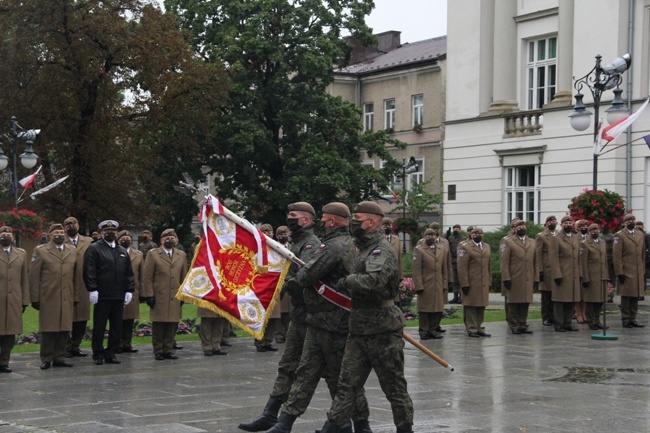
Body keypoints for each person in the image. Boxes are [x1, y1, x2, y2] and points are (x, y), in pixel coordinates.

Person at [266, 202, 371, 433]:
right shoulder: (350, 243)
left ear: (332, 221)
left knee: (340, 378)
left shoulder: (331, 247)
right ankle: (284, 423)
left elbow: (305, 276)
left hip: (332, 322)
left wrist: (289, 281)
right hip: (324, 321)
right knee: (309, 372)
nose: (321, 221)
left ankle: (357, 425)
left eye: (324, 218)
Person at [318, 201, 413, 433]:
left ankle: (405, 429)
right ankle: (333, 426)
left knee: (393, 387)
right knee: (347, 383)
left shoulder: (381, 250)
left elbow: (373, 282)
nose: (353, 222)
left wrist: (347, 281)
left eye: (357, 218)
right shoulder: (363, 248)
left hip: (382, 329)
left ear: (371, 222)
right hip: (359, 327)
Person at [238, 202, 319, 432]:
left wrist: (277, 285)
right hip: (300, 316)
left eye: (293, 215)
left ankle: (346, 423)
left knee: (332, 373)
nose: (289, 218)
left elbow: (304, 277)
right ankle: (271, 414)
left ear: (305, 219)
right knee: (287, 366)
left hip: (313, 318)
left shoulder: (310, 244)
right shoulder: (297, 243)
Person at [83, 220, 135, 365]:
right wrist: (92, 288)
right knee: (99, 325)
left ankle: (111, 352)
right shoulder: (94, 248)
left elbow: (128, 273)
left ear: (117, 233)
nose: (110, 233)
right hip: (102, 294)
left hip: (118, 294)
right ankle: (98, 353)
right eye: (106, 232)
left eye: (113, 231)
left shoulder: (122, 251)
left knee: (116, 326)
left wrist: (129, 289)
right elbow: (89, 270)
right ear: (101, 233)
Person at [29, 223, 78, 370]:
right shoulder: (41, 251)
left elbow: (75, 276)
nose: (60, 234)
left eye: (62, 232)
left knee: (64, 328)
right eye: (56, 232)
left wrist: (75, 295)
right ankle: (47, 358)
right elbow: (33, 276)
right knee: (49, 329)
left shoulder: (72, 250)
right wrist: (35, 298)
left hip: (66, 295)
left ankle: (59, 357)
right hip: (48, 296)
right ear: (50, 235)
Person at [141, 228, 189, 360]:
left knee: (172, 324)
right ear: (161, 240)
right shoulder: (153, 254)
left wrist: (184, 293)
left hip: (175, 295)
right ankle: (158, 350)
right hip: (159, 294)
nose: (170, 240)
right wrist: (149, 295)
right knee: (159, 324)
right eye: (167, 238)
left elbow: (183, 275)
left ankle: (168, 349)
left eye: (172, 238)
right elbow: (147, 277)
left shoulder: (181, 255)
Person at [500, 220, 538, 335]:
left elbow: (536, 262)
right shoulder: (507, 241)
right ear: (514, 229)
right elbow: (504, 261)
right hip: (514, 276)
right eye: (519, 226)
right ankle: (514, 325)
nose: (522, 227)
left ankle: (522, 324)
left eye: (523, 225)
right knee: (513, 302)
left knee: (525, 302)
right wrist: (506, 278)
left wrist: (536, 278)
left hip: (527, 277)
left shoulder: (532, 241)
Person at [64, 216, 93, 358]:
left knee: (82, 317)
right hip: (66, 284)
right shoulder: (59, 241)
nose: (71, 226)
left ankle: (75, 346)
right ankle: (66, 346)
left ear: (78, 226)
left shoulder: (88, 241)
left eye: (73, 223)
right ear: (64, 228)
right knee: (66, 317)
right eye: (68, 224)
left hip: (83, 283)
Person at [0, 226, 28, 373]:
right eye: (3, 234)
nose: (6, 236)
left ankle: (4, 361)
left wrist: (24, 300)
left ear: (12, 237)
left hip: (14, 298)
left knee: (10, 332)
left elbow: (24, 278)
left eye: (8, 234)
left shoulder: (21, 253)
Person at [412, 228, 447, 340]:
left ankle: (432, 330)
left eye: (433, 235)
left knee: (437, 309)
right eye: (428, 235)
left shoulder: (441, 249)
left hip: (438, 284)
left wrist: (445, 284)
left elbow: (444, 269)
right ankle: (424, 331)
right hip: (426, 284)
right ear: (424, 237)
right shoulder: (419, 250)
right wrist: (419, 285)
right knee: (424, 309)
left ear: (436, 237)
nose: (430, 237)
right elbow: (416, 270)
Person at [457, 227, 491, 337]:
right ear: (471, 235)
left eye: (480, 233)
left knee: (481, 305)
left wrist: (489, 280)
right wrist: (464, 283)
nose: (478, 235)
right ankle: (471, 328)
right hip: (471, 281)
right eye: (476, 233)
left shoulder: (486, 246)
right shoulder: (465, 247)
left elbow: (488, 265)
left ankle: (479, 327)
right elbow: (462, 267)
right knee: (471, 305)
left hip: (483, 281)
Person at [613, 214, 646, 328]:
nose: (630, 222)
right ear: (624, 223)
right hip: (626, 270)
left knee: (635, 296)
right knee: (626, 296)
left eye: (632, 220)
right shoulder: (620, 235)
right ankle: (626, 318)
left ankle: (633, 318)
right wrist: (619, 272)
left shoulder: (640, 235)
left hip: (637, 269)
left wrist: (642, 269)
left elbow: (642, 254)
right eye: (628, 220)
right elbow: (617, 256)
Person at [553, 216, 581, 332]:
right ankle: (559, 323)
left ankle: (567, 322)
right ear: (561, 224)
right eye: (565, 223)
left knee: (572, 299)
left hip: (573, 273)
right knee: (560, 300)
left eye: (570, 223)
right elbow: (553, 258)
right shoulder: (556, 238)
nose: (568, 225)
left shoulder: (575, 237)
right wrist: (557, 274)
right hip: (563, 273)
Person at [117, 230, 144, 353]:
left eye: (128, 238)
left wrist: (143, 293)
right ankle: (117, 344)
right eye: (123, 238)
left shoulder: (138, 254)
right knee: (118, 318)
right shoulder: (114, 252)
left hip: (133, 290)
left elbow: (142, 274)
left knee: (130, 319)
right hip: (117, 289)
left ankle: (127, 343)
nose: (125, 240)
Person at [255, 223, 280, 352]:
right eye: (266, 231)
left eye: (271, 231)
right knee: (261, 317)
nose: (269, 233)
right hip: (260, 287)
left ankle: (268, 341)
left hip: (274, 285)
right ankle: (259, 342)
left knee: (273, 317)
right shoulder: (257, 248)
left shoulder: (277, 247)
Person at [580, 224, 608, 330]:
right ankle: (590, 320)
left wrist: (606, 275)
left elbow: (605, 260)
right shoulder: (585, 244)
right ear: (588, 232)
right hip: (592, 276)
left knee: (600, 300)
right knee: (591, 300)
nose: (594, 231)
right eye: (592, 230)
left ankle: (597, 320)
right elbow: (583, 263)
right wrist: (585, 278)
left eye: (596, 229)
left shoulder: (602, 242)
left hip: (602, 276)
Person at [535, 216, 559, 326]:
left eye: (554, 221)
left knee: (556, 294)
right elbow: (538, 254)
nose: (552, 223)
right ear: (546, 223)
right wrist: (539, 270)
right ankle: (546, 317)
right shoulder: (541, 236)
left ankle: (555, 316)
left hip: (557, 268)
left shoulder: (559, 235)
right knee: (546, 295)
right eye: (550, 221)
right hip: (546, 268)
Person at [274, 226, 291, 344]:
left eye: (285, 233)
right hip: (277, 280)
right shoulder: (273, 247)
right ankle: (279, 334)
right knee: (279, 310)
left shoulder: (293, 247)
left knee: (288, 309)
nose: (283, 235)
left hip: (290, 279)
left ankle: (287, 332)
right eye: (281, 234)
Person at [574, 219, 589, 323]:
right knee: (578, 294)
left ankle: (584, 313)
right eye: (582, 226)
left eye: (586, 225)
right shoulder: (575, 238)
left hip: (588, 268)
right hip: (578, 267)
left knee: (585, 294)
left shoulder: (590, 238)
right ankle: (578, 314)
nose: (584, 228)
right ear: (577, 228)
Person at [445, 224, 464, 304]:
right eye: (454, 229)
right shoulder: (450, 239)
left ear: (460, 230)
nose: (455, 230)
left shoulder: (463, 239)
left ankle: (461, 297)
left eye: (457, 229)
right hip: (453, 262)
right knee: (454, 280)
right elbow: (444, 243)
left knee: (461, 280)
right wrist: (447, 235)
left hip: (460, 262)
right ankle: (455, 296)